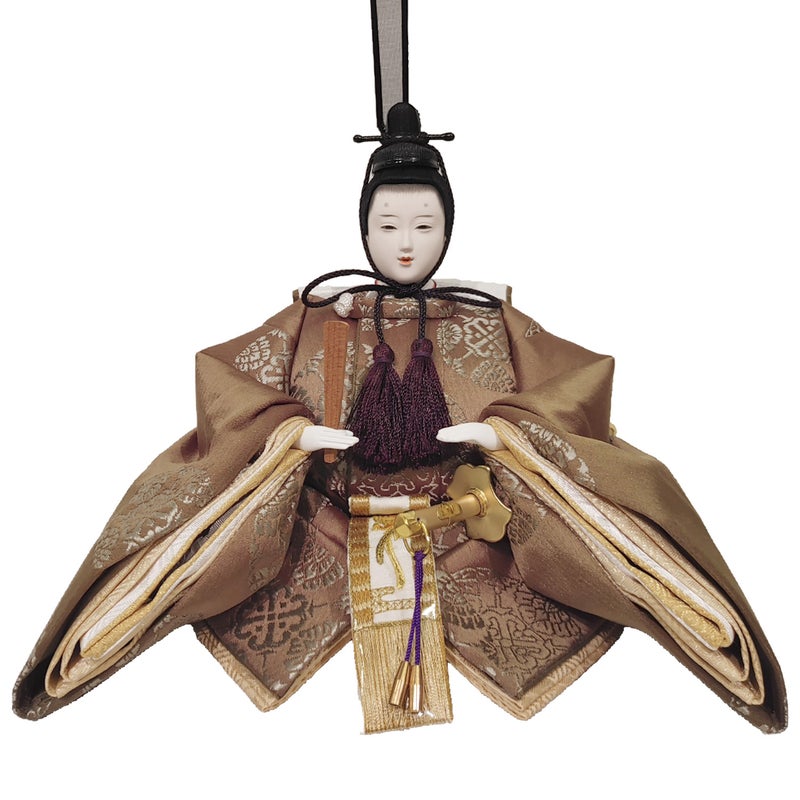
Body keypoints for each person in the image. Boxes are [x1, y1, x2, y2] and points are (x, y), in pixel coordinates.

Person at [13, 103, 786, 734]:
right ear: (363, 230)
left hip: (470, 538)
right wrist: (290, 435)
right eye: (387, 226)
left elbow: (576, 382)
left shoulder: (486, 312)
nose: (407, 244)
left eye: (424, 225)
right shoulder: (323, 313)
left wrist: (506, 434)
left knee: (624, 552)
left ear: (449, 226)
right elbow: (229, 380)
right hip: (322, 527)